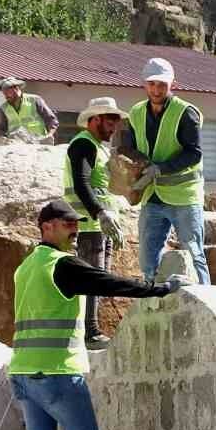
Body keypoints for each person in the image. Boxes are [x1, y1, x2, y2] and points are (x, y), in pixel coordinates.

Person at [7, 199, 185, 430]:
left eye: (76, 223)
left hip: (24, 373)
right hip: (57, 371)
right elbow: (109, 283)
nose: (75, 230)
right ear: (47, 227)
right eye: (66, 224)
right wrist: (161, 289)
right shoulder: (61, 265)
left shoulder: (26, 266)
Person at [120, 57, 209, 285]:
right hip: (152, 195)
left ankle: (206, 298)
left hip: (183, 196)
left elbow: (194, 153)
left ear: (173, 85)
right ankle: (152, 298)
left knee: (194, 253)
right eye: (152, 84)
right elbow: (127, 148)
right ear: (144, 84)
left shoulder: (185, 112)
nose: (156, 89)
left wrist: (161, 169)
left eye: (162, 84)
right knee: (147, 258)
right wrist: (135, 169)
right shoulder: (136, 113)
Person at [64, 97, 129, 349]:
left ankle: (90, 330)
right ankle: (89, 332)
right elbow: (82, 184)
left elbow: (102, 185)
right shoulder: (83, 144)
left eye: (116, 123)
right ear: (95, 119)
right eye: (110, 122)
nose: (113, 128)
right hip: (89, 225)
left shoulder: (99, 147)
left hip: (102, 226)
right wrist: (100, 213)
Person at [0, 78, 57, 143]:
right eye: (4, 93)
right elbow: (1, 128)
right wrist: (1, 137)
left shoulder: (35, 100)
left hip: (37, 140)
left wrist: (50, 135)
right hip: (15, 143)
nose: (6, 96)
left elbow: (51, 120)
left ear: (17, 89)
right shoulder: (3, 108)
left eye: (8, 92)